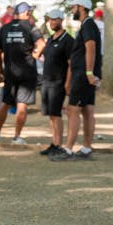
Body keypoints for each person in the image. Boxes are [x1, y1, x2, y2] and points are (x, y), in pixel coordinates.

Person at [49, 0, 101, 161]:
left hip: (83, 75)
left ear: (81, 7)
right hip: (84, 74)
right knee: (87, 110)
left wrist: (89, 73)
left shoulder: (88, 25)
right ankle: (86, 148)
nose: (72, 11)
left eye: (73, 8)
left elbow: (90, 48)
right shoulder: (87, 25)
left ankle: (69, 149)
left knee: (73, 110)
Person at [0, 2, 44, 144]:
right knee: (22, 105)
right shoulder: (31, 28)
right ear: (26, 13)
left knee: (5, 103)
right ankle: (17, 136)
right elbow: (42, 44)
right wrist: (34, 56)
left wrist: (0, 71)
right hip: (27, 72)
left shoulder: (4, 29)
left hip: (10, 72)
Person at [39, 8, 73, 156]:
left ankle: (58, 144)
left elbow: (71, 64)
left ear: (61, 20)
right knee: (50, 115)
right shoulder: (50, 39)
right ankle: (54, 142)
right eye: (50, 20)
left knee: (56, 113)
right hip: (46, 81)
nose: (52, 22)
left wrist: (67, 83)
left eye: (54, 19)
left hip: (58, 82)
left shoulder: (68, 40)